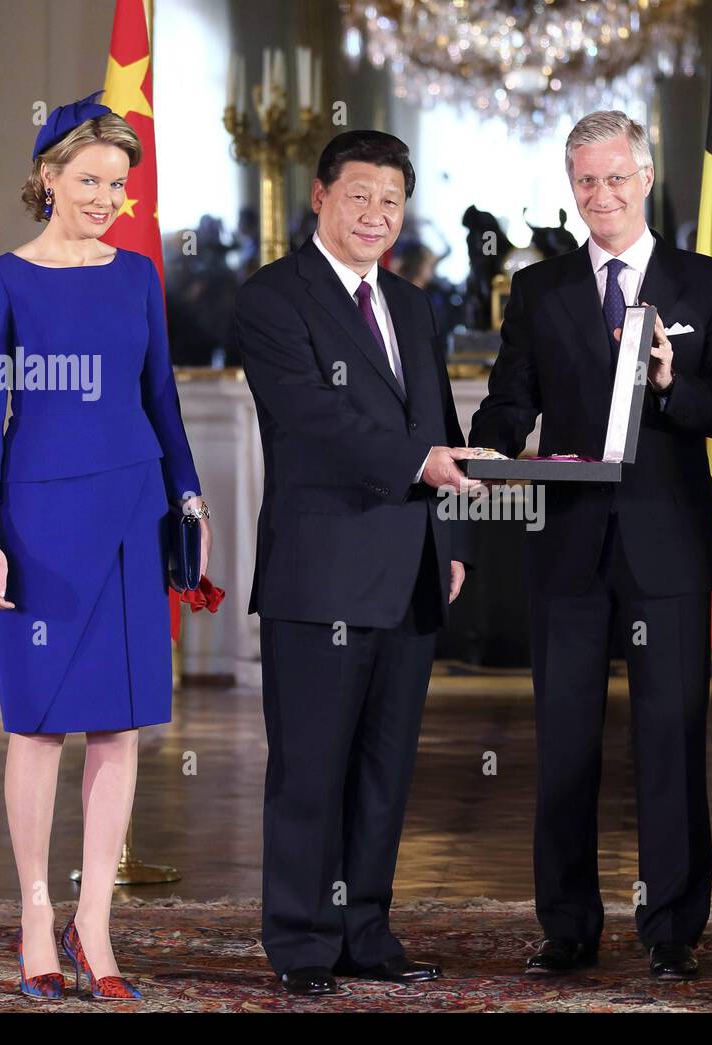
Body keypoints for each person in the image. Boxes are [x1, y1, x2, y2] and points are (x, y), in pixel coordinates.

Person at [469, 110, 712, 979]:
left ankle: (672, 930)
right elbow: (510, 399)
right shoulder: (541, 288)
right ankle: (567, 926)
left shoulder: (706, 283)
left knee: (669, 739)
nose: (602, 195)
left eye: (617, 178)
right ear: (572, 187)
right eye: (586, 181)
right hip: (566, 546)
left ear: (645, 177)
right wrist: (493, 442)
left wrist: (675, 384)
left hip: (666, 547)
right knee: (565, 742)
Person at [0, 92, 210, 1001]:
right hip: (37, 523)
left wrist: (189, 498)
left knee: (119, 724)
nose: (107, 197)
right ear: (48, 179)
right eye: (91, 180)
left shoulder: (137, 274)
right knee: (39, 725)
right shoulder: (1, 281)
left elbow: (161, 400)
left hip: (133, 513)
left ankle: (95, 924)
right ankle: (36, 913)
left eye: (119, 183)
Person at [233, 130, 476, 997]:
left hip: (408, 567)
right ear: (320, 198)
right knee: (312, 771)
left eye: (392, 201)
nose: (377, 215)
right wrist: (420, 468)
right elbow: (311, 421)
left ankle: (366, 932)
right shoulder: (273, 298)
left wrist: (447, 542)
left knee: (384, 771)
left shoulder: (412, 305)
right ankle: (301, 943)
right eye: (360, 196)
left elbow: (436, 422)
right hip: (321, 572)